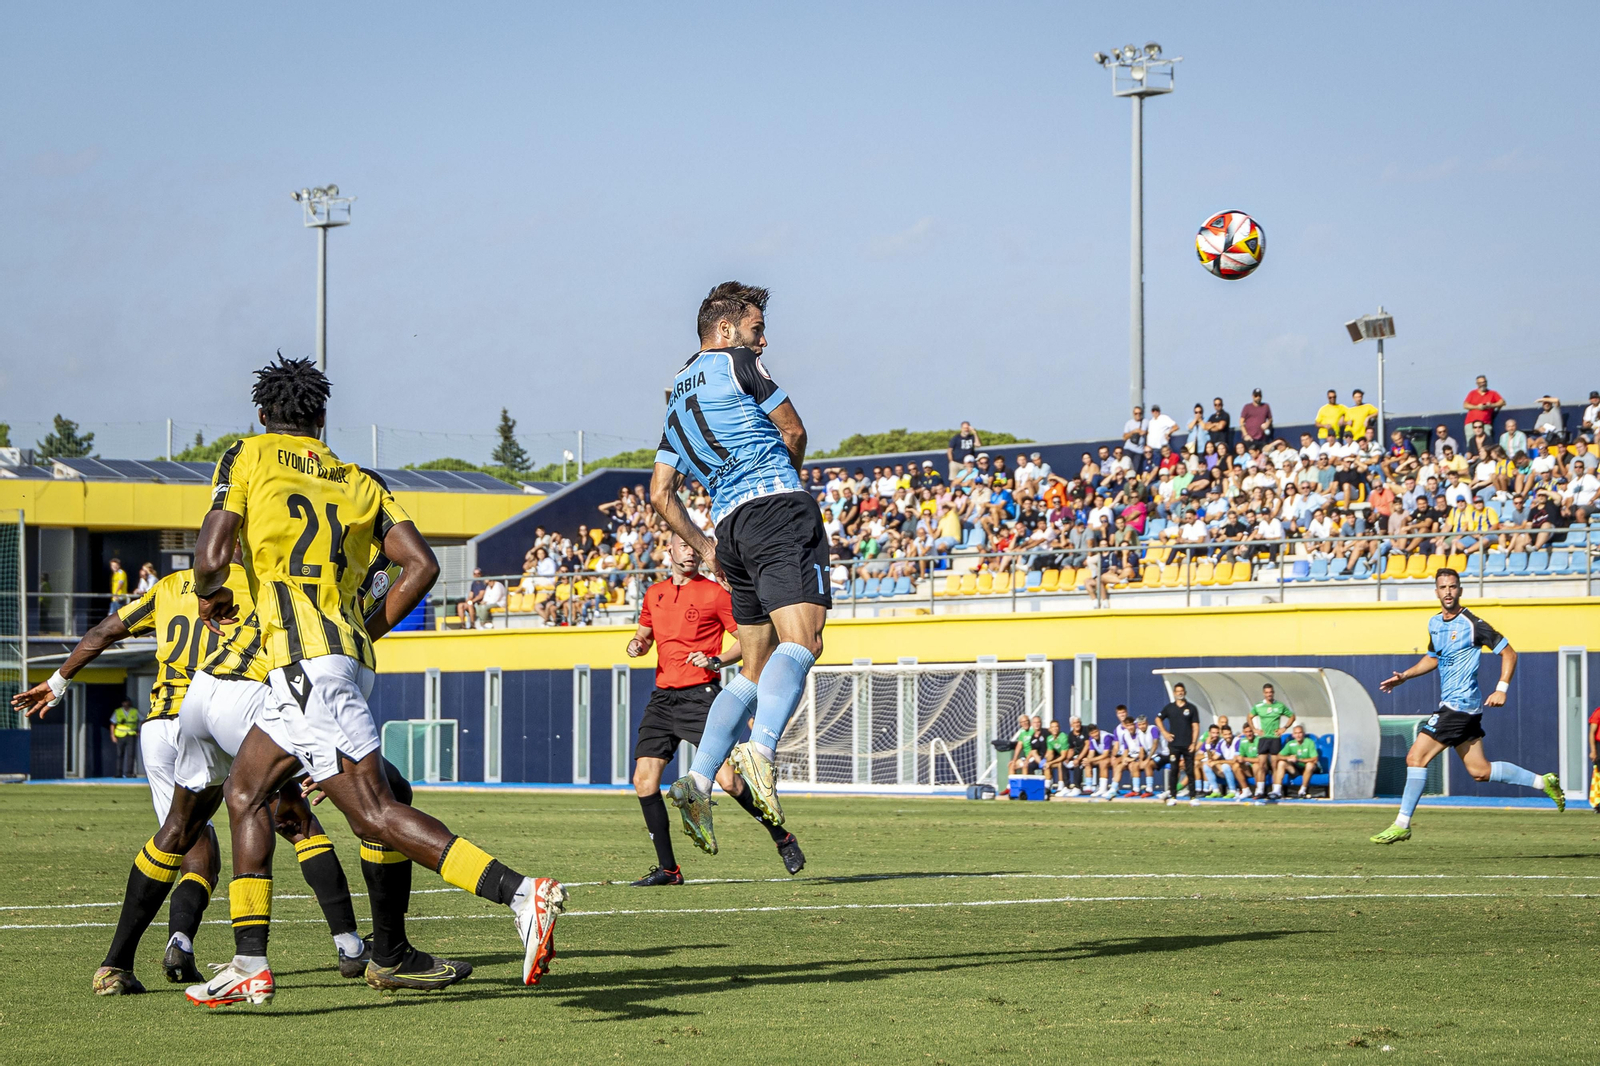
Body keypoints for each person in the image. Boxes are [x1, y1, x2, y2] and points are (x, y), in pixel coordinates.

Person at [186, 356, 564, 1006]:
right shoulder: (359, 481)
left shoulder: (244, 456)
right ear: (323, 418)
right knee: (245, 792)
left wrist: (207, 596)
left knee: (374, 811)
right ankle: (251, 961)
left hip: (304, 664)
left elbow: (212, 556)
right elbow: (420, 567)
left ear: (262, 415)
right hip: (325, 662)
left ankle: (521, 893)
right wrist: (357, 632)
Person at [11, 558, 374, 995]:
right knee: (295, 818)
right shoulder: (257, 581)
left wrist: (57, 681)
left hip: (164, 726)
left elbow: (103, 632)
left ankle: (129, 959)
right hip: (231, 705)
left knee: (183, 837)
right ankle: (349, 946)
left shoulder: (168, 588)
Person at [653, 282, 830, 855]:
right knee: (805, 641)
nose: (763, 339)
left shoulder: (675, 398)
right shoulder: (737, 363)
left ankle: (699, 780)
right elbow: (795, 431)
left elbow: (661, 493)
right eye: (757, 329)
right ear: (726, 331)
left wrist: (706, 549)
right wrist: (788, 481)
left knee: (753, 669)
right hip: (776, 508)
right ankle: (761, 753)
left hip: (728, 531)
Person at [625, 533, 802, 886]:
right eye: (684, 546)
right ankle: (669, 870)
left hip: (702, 697)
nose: (690, 552)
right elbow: (644, 635)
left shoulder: (715, 593)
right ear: (670, 551)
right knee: (644, 781)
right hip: (662, 698)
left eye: (695, 547)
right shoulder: (654, 594)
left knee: (729, 781)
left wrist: (716, 659)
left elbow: (750, 642)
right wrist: (637, 644)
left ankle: (782, 838)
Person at [1371, 569, 1563, 844]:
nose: (1448, 591)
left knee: (1415, 758)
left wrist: (1501, 688)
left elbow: (1509, 652)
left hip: (1458, 706)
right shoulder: (1435, 623)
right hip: (1464, 709)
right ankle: (1543, 782)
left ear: (1460, 590)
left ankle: (1402, 823)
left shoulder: (1473, 624)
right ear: (1436, 592)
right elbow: (1433, 658)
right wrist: (1404, 676)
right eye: (1443, 587)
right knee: (1479, 771)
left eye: (1452, 586)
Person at [1157, 683, 1202, 806]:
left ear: (1185, 692)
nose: (1180, 693)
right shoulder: (1169, 708)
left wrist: (1193, 742)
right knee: (1174, 770)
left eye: (1182, 691)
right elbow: (1158, 719)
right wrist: (1165, 733)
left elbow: (1196, 726)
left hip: (1188, 745)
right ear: (1174, 693)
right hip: (1174, 745)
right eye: (1177, 691)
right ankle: (1173, 796)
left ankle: (1192, 797)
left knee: (1190, 770)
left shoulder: (1191, 708)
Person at [1250, 683, 1294, 798]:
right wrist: (1255, 729)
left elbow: (1292, 716)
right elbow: (1249, 717)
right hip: (1263, 738)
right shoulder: (1259, 706)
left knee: (1274, 765)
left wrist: (1284, 728)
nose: (1269, 694)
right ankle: (1259, 790)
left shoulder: (1279, 706)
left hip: (1274, 738)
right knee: (1261, 765)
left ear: (1273, 693)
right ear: (1264, 693)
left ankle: (1276, 791)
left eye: (1271, 692)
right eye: (1267, 692)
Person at [1272, 724, 1321, 799]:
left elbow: (1315, 758)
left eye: (1300, 733)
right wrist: (1288, 757)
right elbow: (1278, 756)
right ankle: (1277, 791)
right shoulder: (1290, 744)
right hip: (1296, 769)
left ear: (1303, 734)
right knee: (1281, 763)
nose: (1298, 735)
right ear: (1293, 735)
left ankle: (1302, 791)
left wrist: (1299, 759)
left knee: (1310, 765)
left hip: (1308, 768)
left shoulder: (1309, 742)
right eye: (1296, 733)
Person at [1462, 374, 1505, 441]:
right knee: (1471, 444)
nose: (1482, 384)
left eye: (1484, 382)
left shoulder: (1492, 393)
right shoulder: (1472, 393)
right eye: (1480, 383)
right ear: (1477, 384)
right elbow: (1465, 405)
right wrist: (1477, 407)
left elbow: (1502, 402)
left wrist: (1491, 405)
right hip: (1471, 424)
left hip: (1485, 423)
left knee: (1487, 444)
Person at [111, 698, 140, 778]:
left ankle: (129, 773)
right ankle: (118, 773)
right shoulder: (118, 712)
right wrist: (112, 735)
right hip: (120, 735)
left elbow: (142, 720)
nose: (125, 703)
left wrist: (139, 731)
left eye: (127, 702)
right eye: (124, 702)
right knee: (119, 754)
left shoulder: (134, 711)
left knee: (131, 755)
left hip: (131, 734)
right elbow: (112, 724)